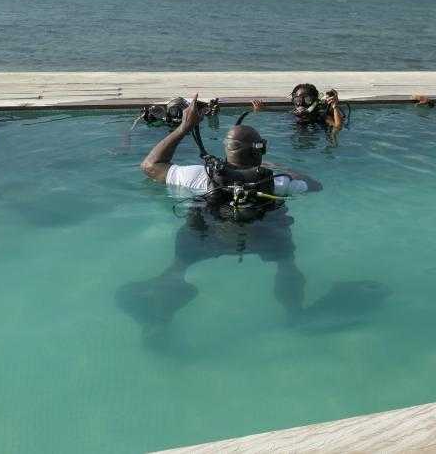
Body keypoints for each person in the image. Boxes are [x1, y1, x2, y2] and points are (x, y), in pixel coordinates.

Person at [120, 96, 321, 349]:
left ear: (227, 149)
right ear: (260, 149)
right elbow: (315, 186)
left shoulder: (197, 176)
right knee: (287, 266)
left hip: (206, 238)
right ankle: (295, 314)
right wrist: (278, 167)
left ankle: (159, 320)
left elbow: (150, 165)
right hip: (263, 237)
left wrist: (184, 128)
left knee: (176, 269)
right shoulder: (279, 183)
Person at [252, 83, 345, 129]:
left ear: (314, 101)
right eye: (298, 100)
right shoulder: (292, 113)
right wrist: (262, 109)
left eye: (307, 99)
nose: (301, 103)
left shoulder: (320, 115)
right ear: (293, 100)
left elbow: (338, 127)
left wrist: (335, 106)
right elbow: (277, 112)